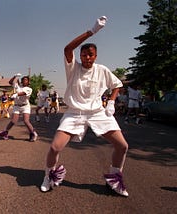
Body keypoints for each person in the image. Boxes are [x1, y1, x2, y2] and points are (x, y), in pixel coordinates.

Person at [40, 17, 129, 197]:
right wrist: (92, 31)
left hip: (97, 112)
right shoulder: (73, 68)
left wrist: (111, 101)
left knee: (122, 146)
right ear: (80, 56)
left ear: (95, 56)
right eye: (84, 55)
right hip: (75, 113)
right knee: (55, 147)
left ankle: (114, 179)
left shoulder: (102, 70)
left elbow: (117, 85)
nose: (87, 58)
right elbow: (67, 48)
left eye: (90, 55)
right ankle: (48, 176)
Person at [0, 74, 38, 142]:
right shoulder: (17, 87)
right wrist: (14, 76)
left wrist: (16, 94)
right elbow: (10, 82)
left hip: (25, 106)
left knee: (26, 121)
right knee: (13, 121)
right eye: (23, 80)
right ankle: (5, 132)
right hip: (17, 106)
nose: (24, 81)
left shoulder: (29, 89)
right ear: (21, 81)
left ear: (28, 82)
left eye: (26, 80)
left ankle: (32, 133)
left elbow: (23, 93)